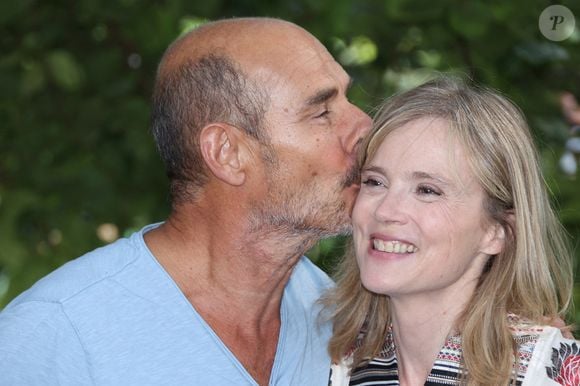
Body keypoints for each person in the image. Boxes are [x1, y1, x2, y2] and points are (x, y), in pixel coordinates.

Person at [0, 17, 371, 385]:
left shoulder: (334, 317)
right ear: (227, 153)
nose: (365, 127)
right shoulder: (56, 335)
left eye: (347, 99)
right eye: (322, 112)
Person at [325, 77, 578, 385]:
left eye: (427, 190)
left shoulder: (544, 370)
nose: (385, 211)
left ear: (497, 231)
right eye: (375, 182)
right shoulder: (341, 362)